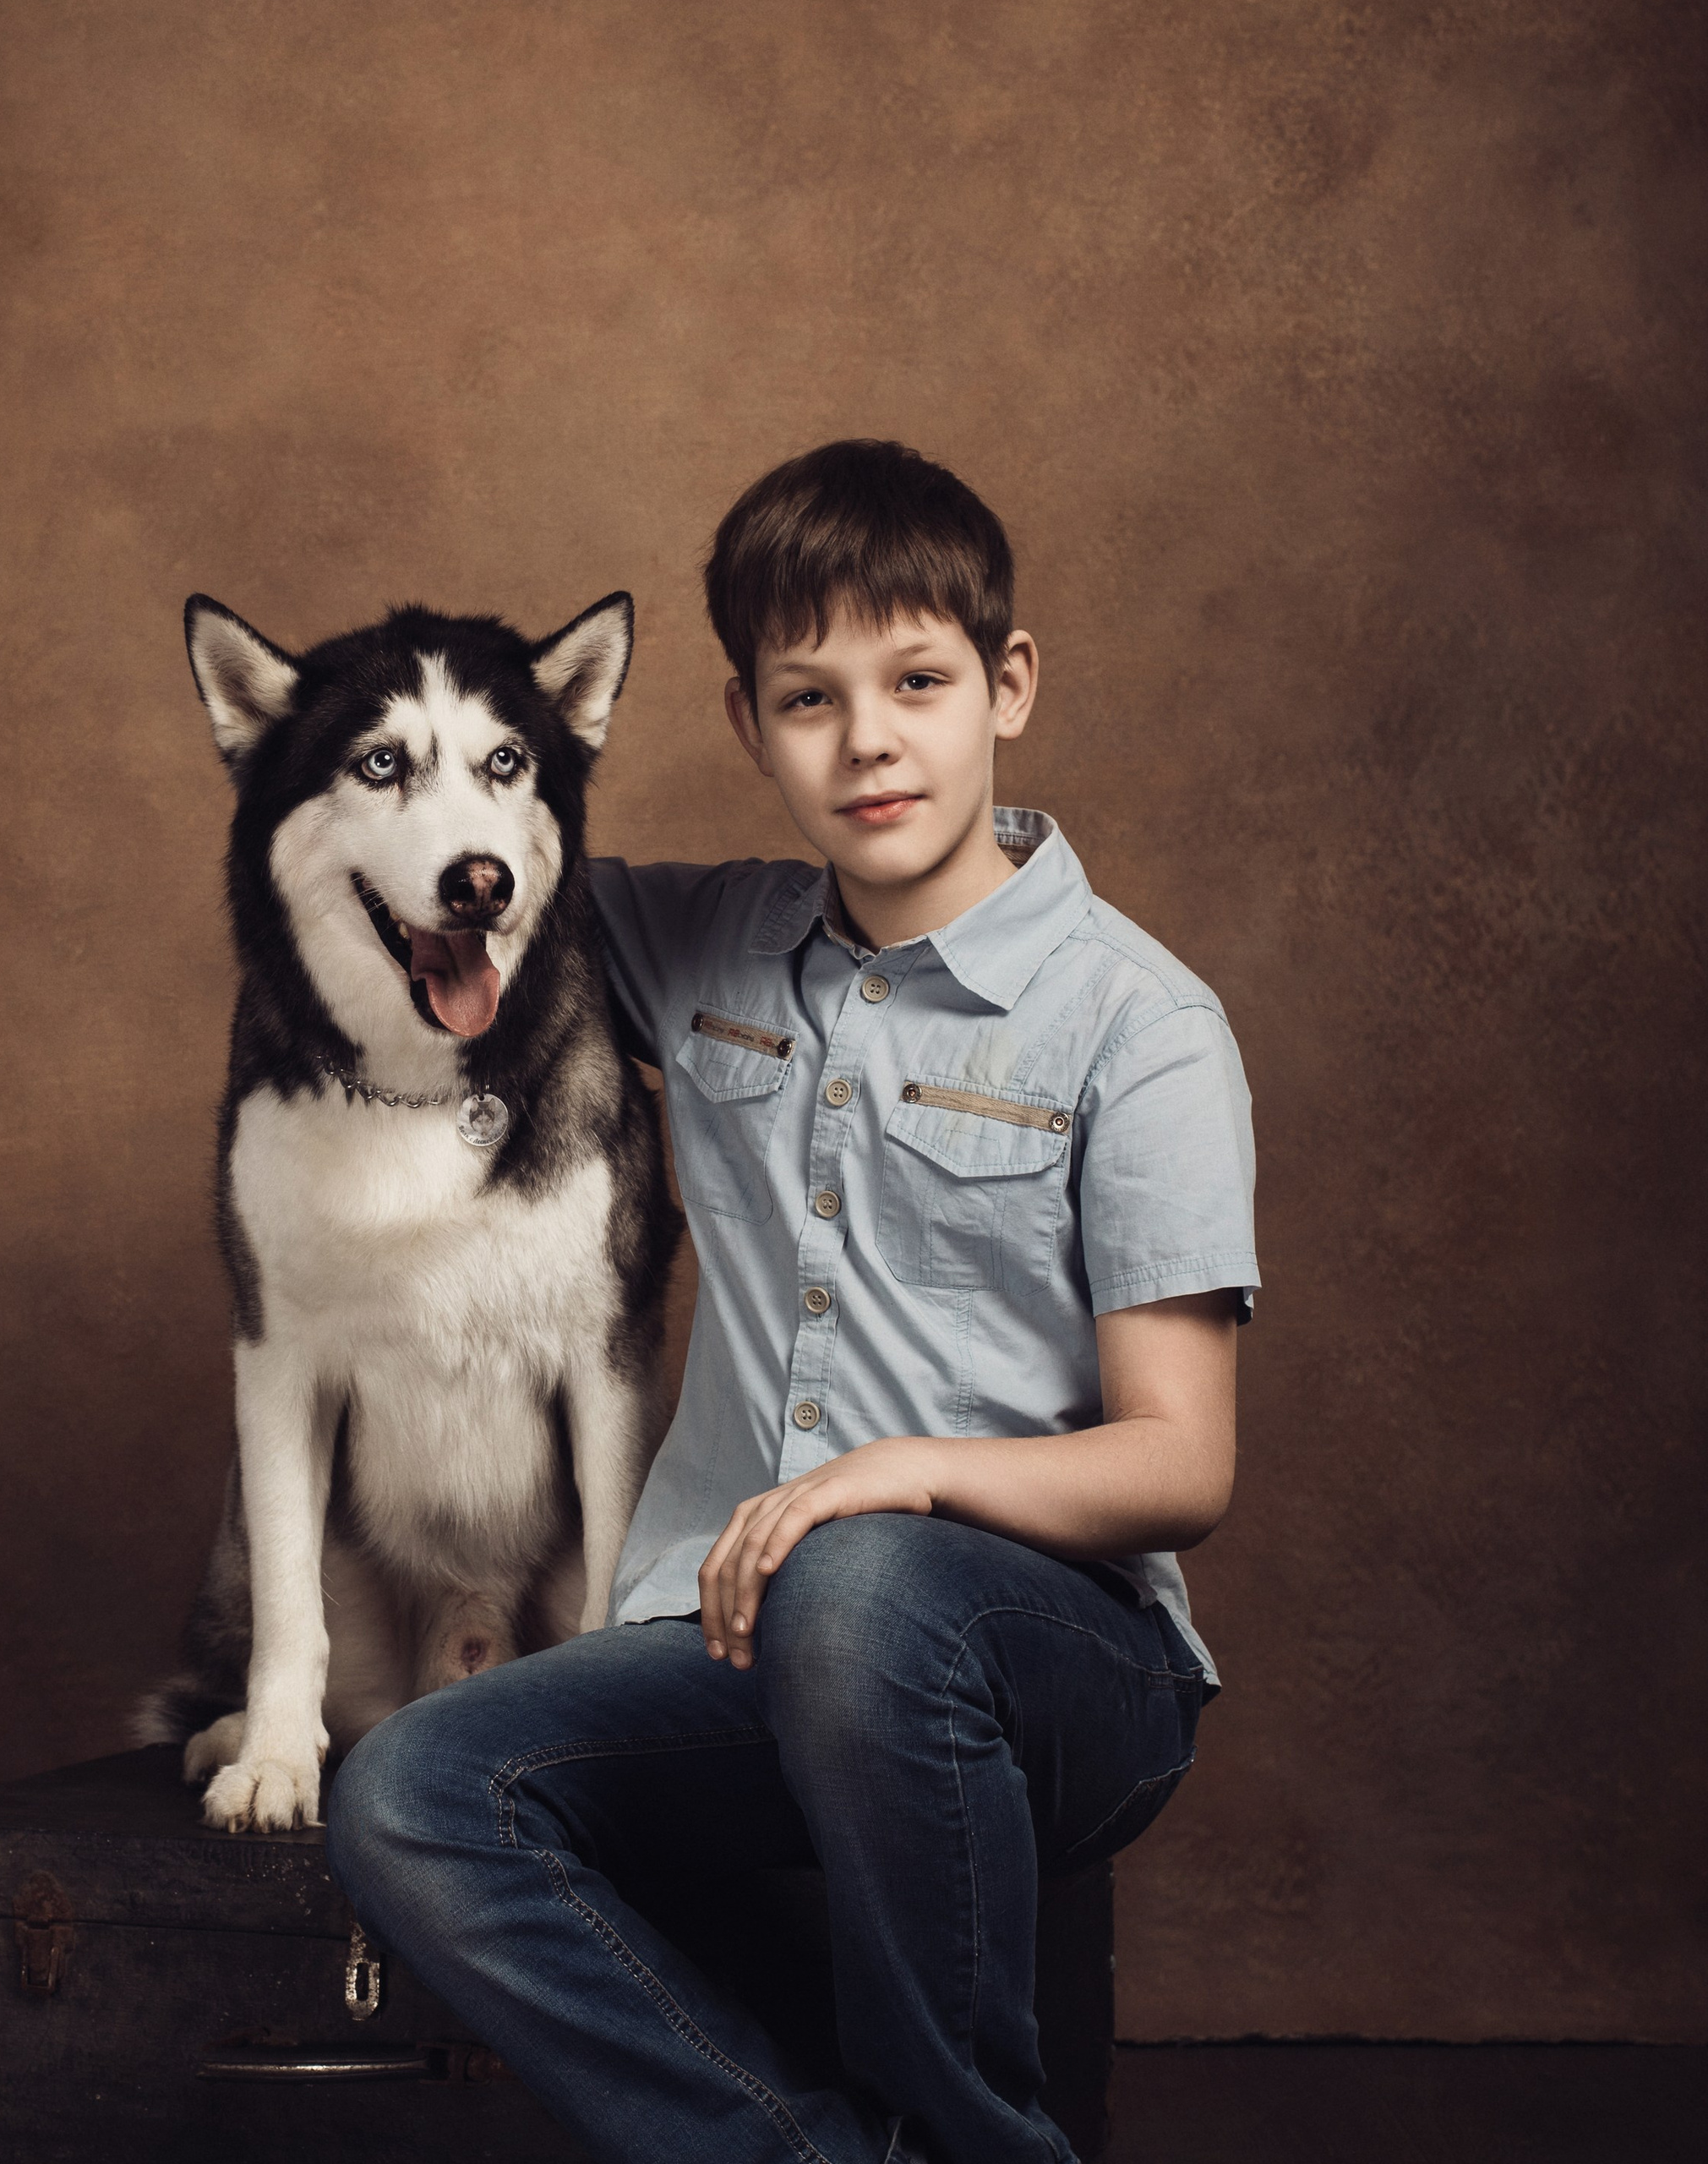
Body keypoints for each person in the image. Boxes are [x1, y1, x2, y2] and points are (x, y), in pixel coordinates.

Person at [325, 439, 1259, 2164]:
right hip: (738, 1648)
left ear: (1008, 684)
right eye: (804, 698)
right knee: (414, 1790)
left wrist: (891, 1472)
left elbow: (1178, 1459)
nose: (867, 739)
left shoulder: (1141, 1026)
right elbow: (443, 860)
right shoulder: (697, 945)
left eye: (915, 681)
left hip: (1050, 1671)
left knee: (861, 1574)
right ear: (747, 727)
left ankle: (981, 2137)